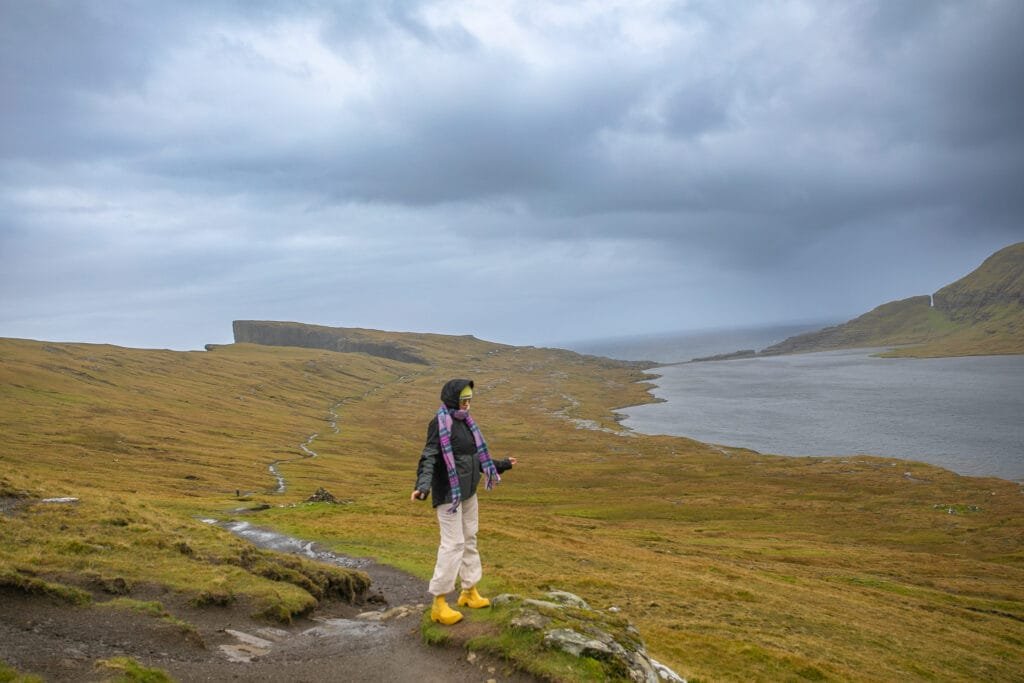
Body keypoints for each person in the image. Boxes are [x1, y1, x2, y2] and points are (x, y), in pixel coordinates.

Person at [410, 378, 517, 625]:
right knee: (453, 544)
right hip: (449, 495)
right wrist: (422, 486)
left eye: (469, 400)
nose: (468, 405)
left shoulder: (467, 423)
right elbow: (429, 456)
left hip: (468, 493)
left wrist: (502, 464)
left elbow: (476, 457)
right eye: (463, 400)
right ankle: (439, 603)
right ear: (452, 399)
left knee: (470, 538)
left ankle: (469, 592)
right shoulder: (440, 423)